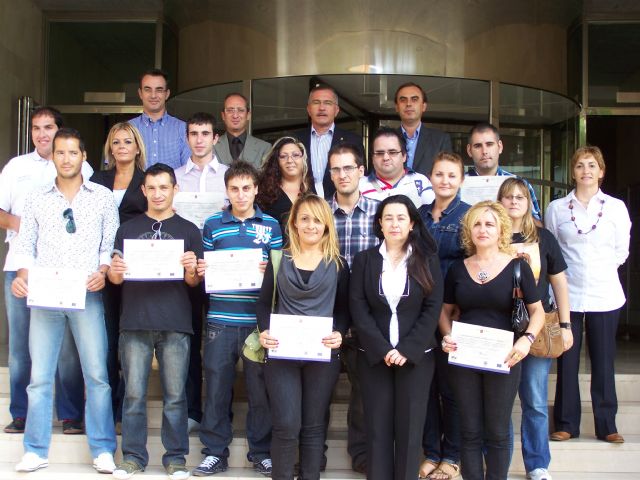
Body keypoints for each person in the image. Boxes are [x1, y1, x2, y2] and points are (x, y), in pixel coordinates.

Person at [11, 128, 118, 473]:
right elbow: (25, 246)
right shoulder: (36, 198)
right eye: (60, 152)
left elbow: (109, 245)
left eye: (73, 152)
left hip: (87, 294)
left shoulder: (102, 197)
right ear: (52, 157)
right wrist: (23, 277)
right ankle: (35, 449)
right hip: (45, 295)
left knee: (97, 375)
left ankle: (102, 449)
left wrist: (103, 271)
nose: (67, 158)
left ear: (84, 156)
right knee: (40, 377)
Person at [109, 163, 203, 480]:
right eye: (152, 187)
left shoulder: (190, 230)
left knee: (175, 397)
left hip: (175, 322)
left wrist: (191, 269)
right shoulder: (127, 229)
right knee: (133, 394)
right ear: (144, 190)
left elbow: (193, 283)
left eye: (164, 187)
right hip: (134, 321)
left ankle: (175, 458)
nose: (158, 193)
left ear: (175, 189)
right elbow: (115, 279)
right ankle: (133, 457)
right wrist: (115, 272)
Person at [441, 201, 544, 480]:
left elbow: (538, 312)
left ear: (501, 230)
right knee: (469, 431)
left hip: (505, 357)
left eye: (489, 224)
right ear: (468, 230)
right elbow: (444, 311)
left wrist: (526, 340)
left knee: (497, 431)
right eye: (477, 224)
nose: (482, 229)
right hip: (465, 357)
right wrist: (447, 335)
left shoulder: (518, 267)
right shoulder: (458, 269)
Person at [0, 107, 87, 436]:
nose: (41, 134)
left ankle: (70, 415)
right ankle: (21, 414)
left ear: (59, 130)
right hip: (21, 269)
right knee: (21, 346)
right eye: (36, 128)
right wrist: (29, 226)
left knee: (67, 348)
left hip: (65, 271)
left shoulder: (81, 165)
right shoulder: (16, 167)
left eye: (48, 127)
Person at [193, 161, 282, 477]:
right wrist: (202, 269)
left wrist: (271, 270)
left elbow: (281, 274)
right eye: (234, 189)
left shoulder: (271, 225)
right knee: (217, 388)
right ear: (227, 191)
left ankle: (261, 452)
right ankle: (214, 453)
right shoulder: (212, 224)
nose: (241, 194)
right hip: (220, 320)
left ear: (256, 189)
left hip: (259, 324)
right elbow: (202, 273)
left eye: (246, 188)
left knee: (261, 392)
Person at [256, 194, 349, 480]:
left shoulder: (338, 263)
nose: (311, 225)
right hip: (282, 353)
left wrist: (339, 332)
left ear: (327, 225)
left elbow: (343, 308)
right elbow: (263, 304)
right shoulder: (278, 259)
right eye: (305, 218)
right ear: (294, 223)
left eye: (317, 220)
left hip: (321, 354)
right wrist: (264, 331)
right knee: (286, 424)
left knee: (313, 426)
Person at [350, 195, 443, 480]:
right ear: (379, 223)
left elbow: (432, 307)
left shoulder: (427, 259)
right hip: (374, 357)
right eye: (388, 218)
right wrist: (382, 348)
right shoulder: (365, 260)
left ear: (412, 223)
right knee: (376, 428)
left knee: (410, 429)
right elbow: (358, 307)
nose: (394, 224)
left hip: (416, 358)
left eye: (401, 218)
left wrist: (407, 349)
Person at [546, 146, 631, 444]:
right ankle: (566, 423)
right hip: (567, 294)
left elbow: (621, 250)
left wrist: (598, 271)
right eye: (580, 165)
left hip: (604, 294)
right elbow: (552, 251)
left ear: (601, 171)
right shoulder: (557, 208)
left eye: (592, 165)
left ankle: (607, 425)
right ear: (573, 171)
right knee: (567, 360)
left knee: (603, 361)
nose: (586, 170)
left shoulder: (616, 208)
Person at [497, 177, 573, 480]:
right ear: (500, 202)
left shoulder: (544, 238)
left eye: (520, 197)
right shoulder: (490, 233)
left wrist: (565, 324)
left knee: (536, 401)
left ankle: (538, 465)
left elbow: (559, 283)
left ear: (529, 202)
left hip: (537, 329)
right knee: (499, 403)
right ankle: (499, 464)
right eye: (508, 196)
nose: (514, 201)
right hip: (499, 328)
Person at [175, 111, 229, 432]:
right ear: (187, 138)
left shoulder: (229, 176)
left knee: (222, 342)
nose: (199, 139)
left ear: (215, 138)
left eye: (205, 133)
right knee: (191, 339)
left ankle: (221, 413)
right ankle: (193, 411)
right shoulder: (175, 178)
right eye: (194, 133)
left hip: (222, 267)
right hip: (187, 268)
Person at [417, 152, 470, 480]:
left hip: (453, 312)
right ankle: (431, 452)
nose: (445, 180)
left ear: (461, 180)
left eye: (452, 175)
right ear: (430, 178)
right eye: (439, 174)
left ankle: (451, 455)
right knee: (426, 386)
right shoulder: (419, 215)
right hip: (421, 312)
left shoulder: (468, 215)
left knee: (451, 389)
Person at [328, 142, 379, 473]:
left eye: (348, 168)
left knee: (364, 390)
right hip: (325, 312)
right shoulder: (319, 212)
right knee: (317, 389)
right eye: (336, 169)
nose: (342, 174)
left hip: (367, 316)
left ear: (361, 171)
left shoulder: (380, 212)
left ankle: (361, 455)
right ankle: (311, 452)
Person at [91, 121, 147, 426]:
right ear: (109, 149)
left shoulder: (146, 181)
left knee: (131, 336)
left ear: (137, 147)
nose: (122, 146)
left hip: (137, 269)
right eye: (116, 142)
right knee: (107, 336)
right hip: (102, 265)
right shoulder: (98, 180)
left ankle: (127, 404)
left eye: (127, 141)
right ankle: (108, 406)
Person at [297, 85, 363, 199]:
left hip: (340, 203)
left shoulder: (353, 140)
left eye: (327, 103)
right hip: (303, 203)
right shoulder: (296, 140)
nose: (321, 108)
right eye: (316, 102)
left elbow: (360, 177)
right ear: (308, 109)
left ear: (336, 110)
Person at [466, 122, 542, 221]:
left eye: (489, 144)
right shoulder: (457, 185)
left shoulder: (520, 185)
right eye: (478, 146)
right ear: (469, 150)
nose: (484, 151)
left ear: (500, 147)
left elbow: (536, 226)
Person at [129, 68, 190, 169]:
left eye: (159, 90)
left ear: (167, 94)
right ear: (140, 93)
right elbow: (114, 169)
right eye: (148, 90)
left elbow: (189, 170)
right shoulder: (128, 129)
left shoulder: (183, 129)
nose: (153, 95)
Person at [360, 127, 434, 208]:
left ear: (404, 156)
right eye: (379, 153)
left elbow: (432, 213)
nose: (386, 158)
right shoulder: (360, 186)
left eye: (392, 152)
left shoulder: (420, 182)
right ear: (372, 158)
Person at [394, 82, 452, 175]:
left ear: (424, 106)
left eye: (414, 99)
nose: (408, 104)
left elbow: (446, 174)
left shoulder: (440, 140)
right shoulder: (386, 139)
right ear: (396, 107)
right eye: (403, 100)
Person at [256, 136, 311, 232]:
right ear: (276, 161)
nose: (290, 160)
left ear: (303, 158)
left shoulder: (315, 190)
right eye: (283, 156)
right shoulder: (263, 192)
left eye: (295, 155)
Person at [214, 93, 271, 169]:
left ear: (248, 115)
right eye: (230, 110)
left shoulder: (264, 148)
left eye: (241, 110)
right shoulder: (211, 147)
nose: (235, 115)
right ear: (223, 115)